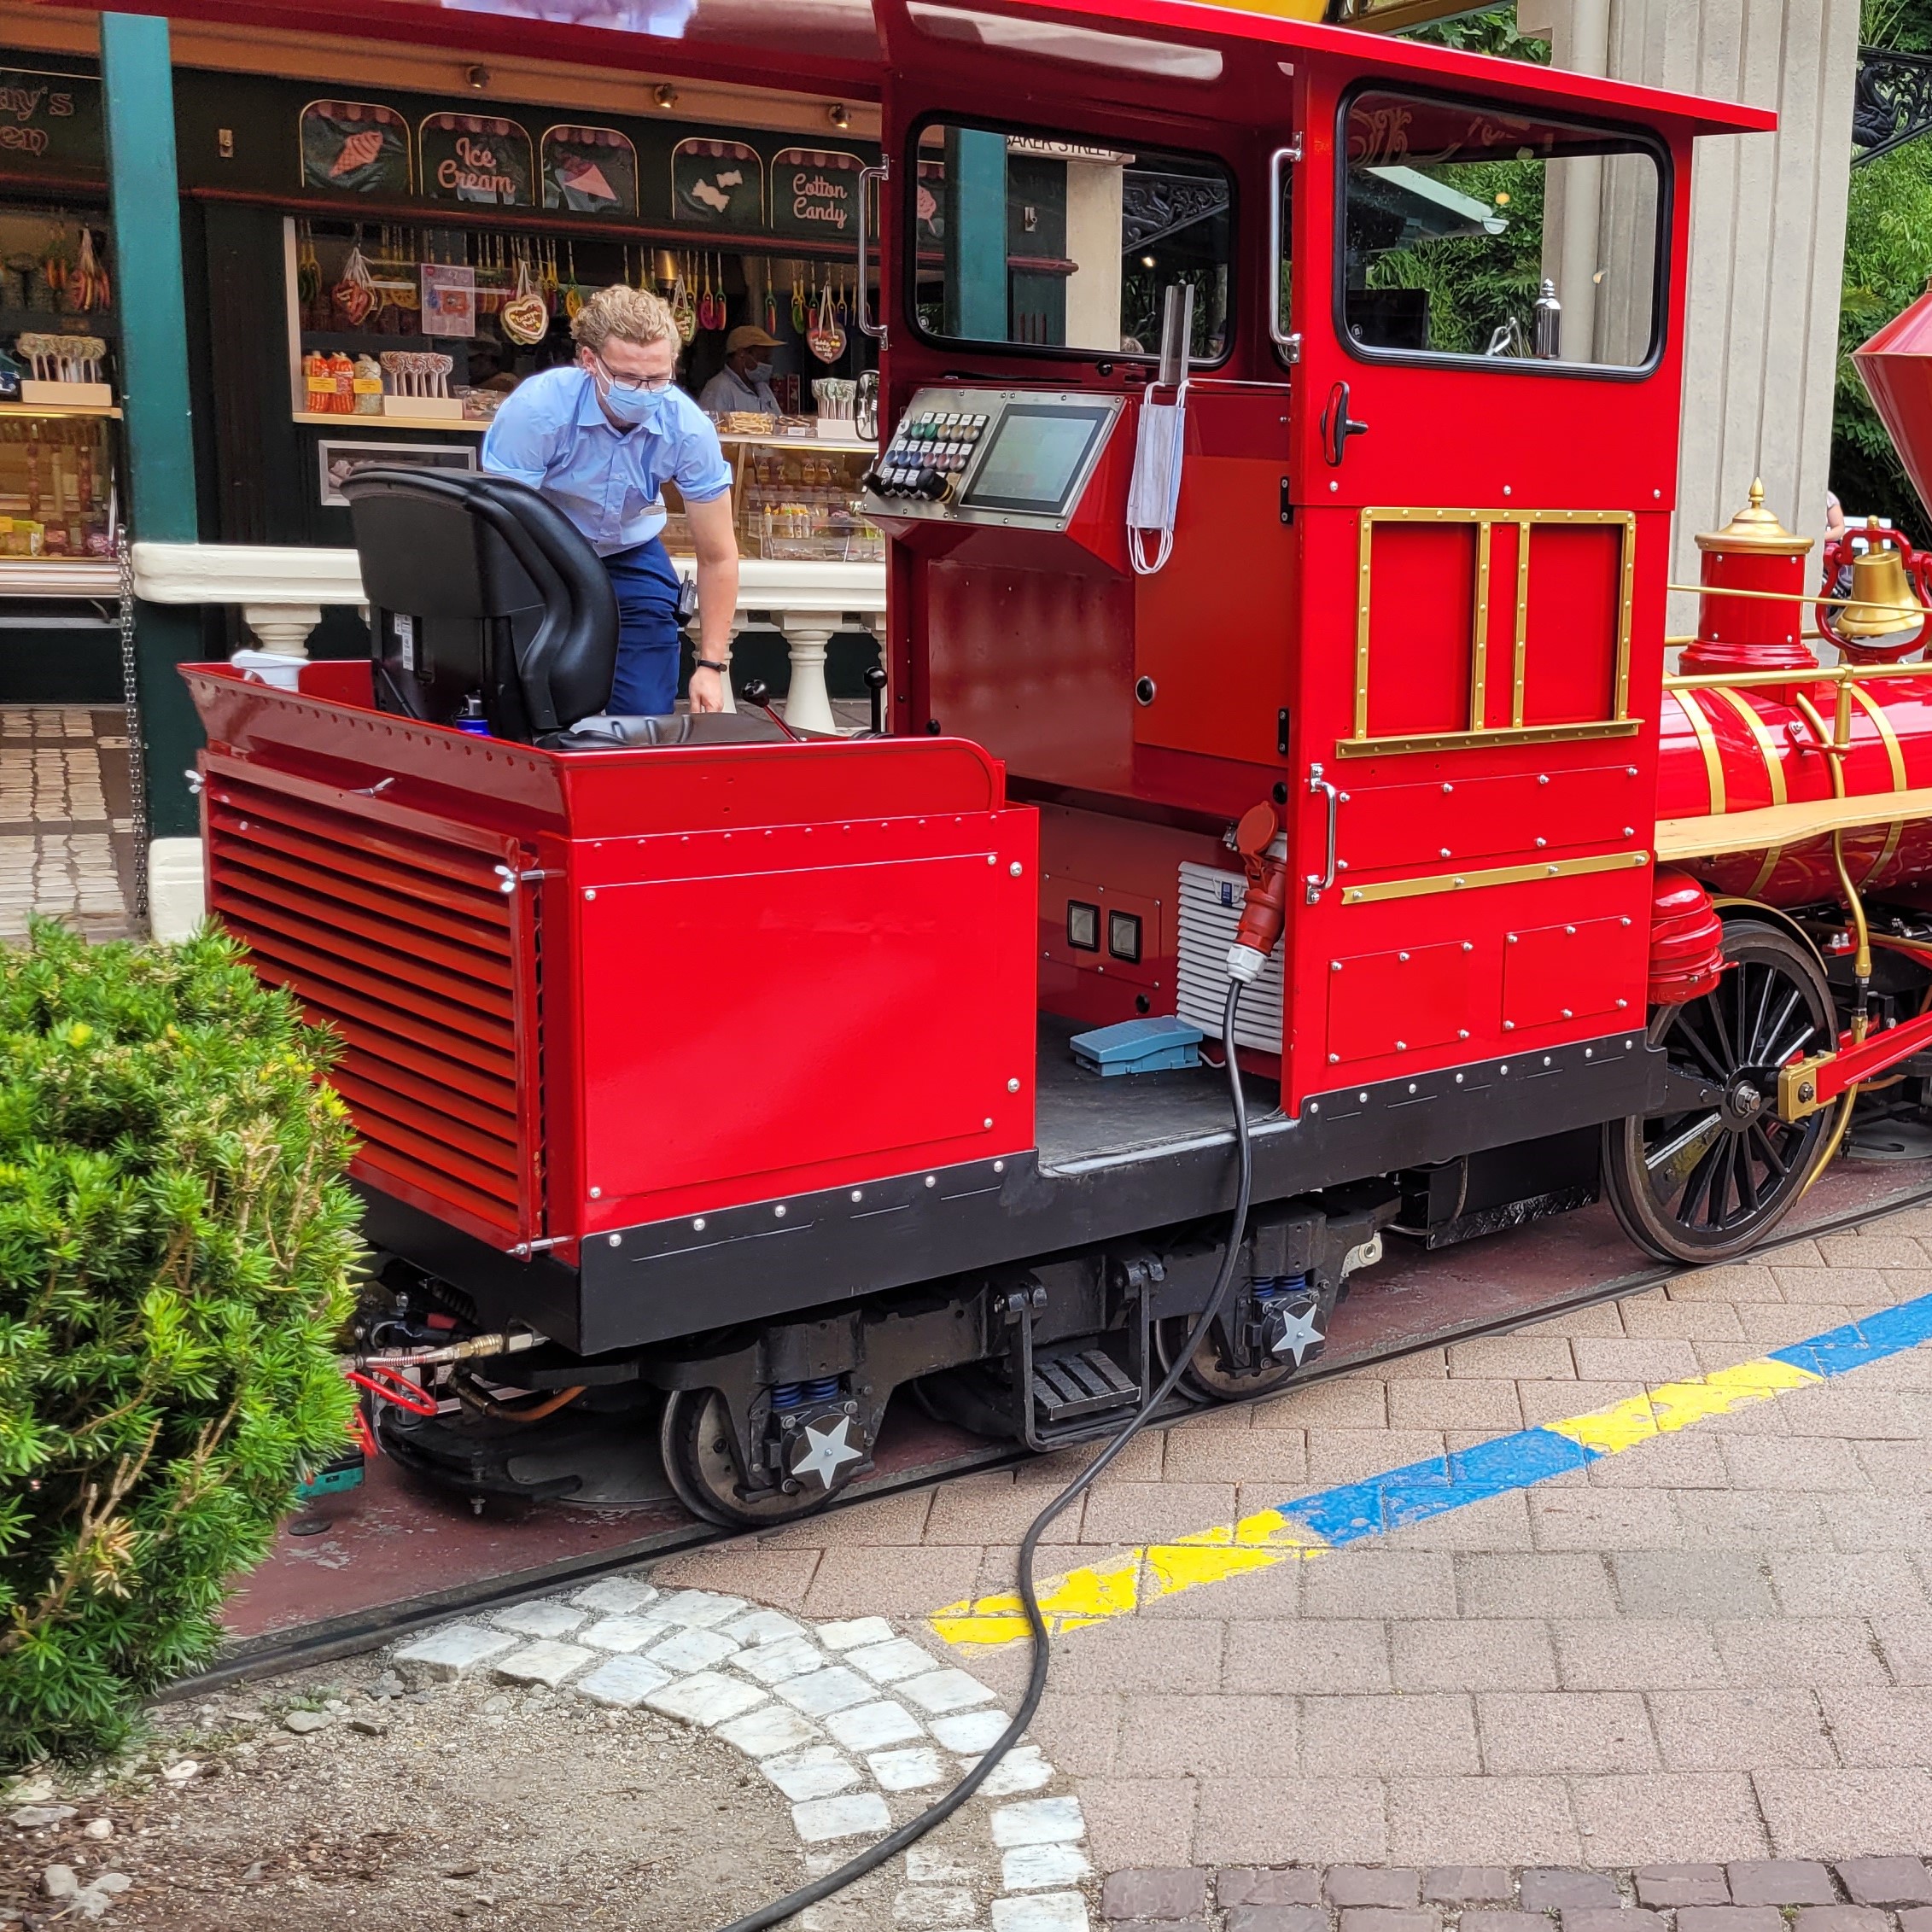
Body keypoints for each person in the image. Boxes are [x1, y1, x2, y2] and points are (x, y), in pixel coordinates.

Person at [482, 284, 738, 716]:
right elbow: (501, 526)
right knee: (530, 697)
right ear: (588, 362)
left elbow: (718, 556)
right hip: (539, 548)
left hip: (630, 551)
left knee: (645, 711)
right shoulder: (537, 410)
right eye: (625, 377)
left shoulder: (689, 428)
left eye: (656, 379)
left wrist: (711, 665)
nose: (642, 391)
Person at [698, 323, 783, 416]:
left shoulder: (762, 387)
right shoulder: (717, 390)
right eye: (762, 358)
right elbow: (711, 428)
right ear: (742, 353)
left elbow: (778, 420)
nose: (767, 364)